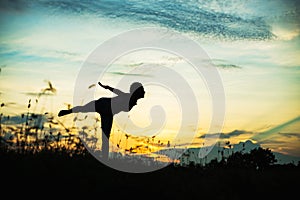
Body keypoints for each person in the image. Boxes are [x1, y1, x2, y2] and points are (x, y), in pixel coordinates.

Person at [58, 82, 145, 160]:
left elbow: (118, 92)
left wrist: (108, 87)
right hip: (104, 105)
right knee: (84, 109)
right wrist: (107, 87)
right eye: (142, 90)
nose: (144, 92)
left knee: (106, 137)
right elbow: (117, 91)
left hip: (108, 113)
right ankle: (67, 111)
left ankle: (104, 158)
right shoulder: (128, 96)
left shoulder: (131, 98)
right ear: (136, 91)